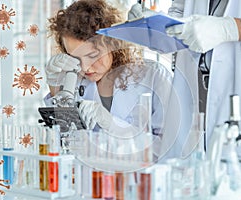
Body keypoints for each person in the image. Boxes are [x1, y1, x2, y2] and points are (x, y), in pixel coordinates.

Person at [158, 0, 241, 183]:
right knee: (182, 184)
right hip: (192, 99)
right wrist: (156, 29)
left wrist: (233, 28)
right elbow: (179, 10)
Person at [44, 0, 173, 157]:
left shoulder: (154, 76)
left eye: (92, 55)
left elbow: (168, 146)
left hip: (139, 177)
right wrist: (55, 86)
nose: (85, 68)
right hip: (90, 177)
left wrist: (110, 123)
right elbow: (63, 139)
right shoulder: (75, 78)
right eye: (75, 58)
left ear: (113, 43)